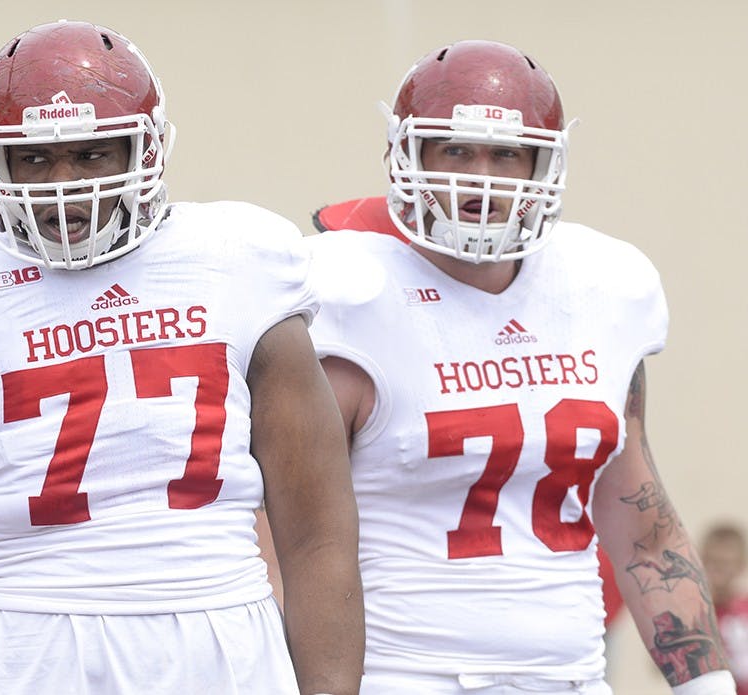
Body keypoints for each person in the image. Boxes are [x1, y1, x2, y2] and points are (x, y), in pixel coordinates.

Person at [0, 19, 363, 695]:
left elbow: (319, 536)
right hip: (29, 647)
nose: (64, 184)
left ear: (144, 151)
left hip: (222, 638)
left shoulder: (240, 260)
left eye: (91, 155)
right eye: (34, 158)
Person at [306, 40, 735, 693]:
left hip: (571, 676)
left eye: (506, 153)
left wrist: (706, 684)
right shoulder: (347, 290)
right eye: (455, 149)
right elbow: (288, 533)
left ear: (544, 164)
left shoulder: (602, 288)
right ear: (408, 156)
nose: (481, 177)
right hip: (402, 675)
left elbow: (643, 527)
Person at [701, 523, 748, 693]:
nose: (718, 571)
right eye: (712, 562)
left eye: (725, 563)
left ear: (741, 565)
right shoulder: (695, 614)